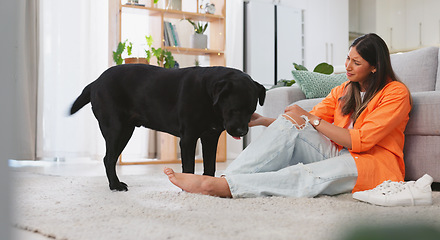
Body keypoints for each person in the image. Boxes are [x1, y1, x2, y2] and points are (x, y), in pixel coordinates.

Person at [163, 33, 412, 198]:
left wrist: (312, 119)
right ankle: (229, 179)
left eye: (356, 63)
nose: (347, 66)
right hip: (338, 150)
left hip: (372, 164)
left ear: (375, 66)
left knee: (306, 175)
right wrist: (265, 121)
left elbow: (361, 141)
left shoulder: (395, 93)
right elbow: (303, 123)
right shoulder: (345, 91)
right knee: (290, 121)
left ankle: (220, 186)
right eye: (347, 58)